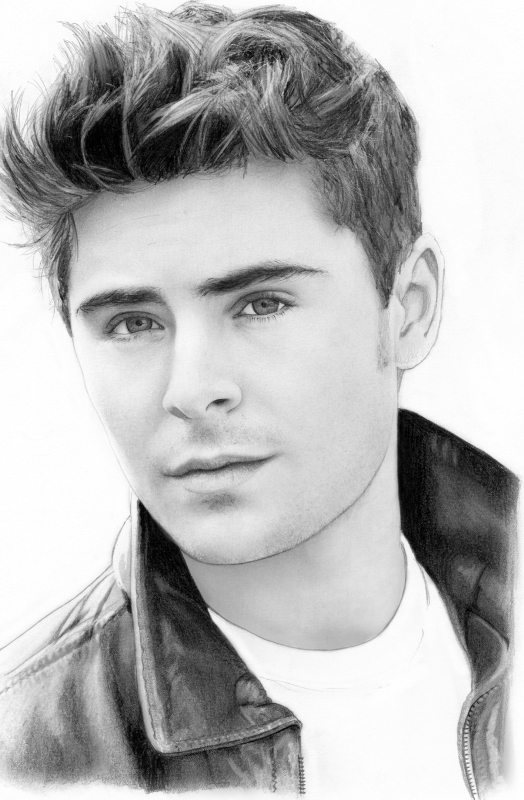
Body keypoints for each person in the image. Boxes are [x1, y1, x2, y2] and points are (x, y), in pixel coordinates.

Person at [0, 2, 517, 798]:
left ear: (408, 309)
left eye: (260, 304)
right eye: (132, 323)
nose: (192, 390)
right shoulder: (26, 752)